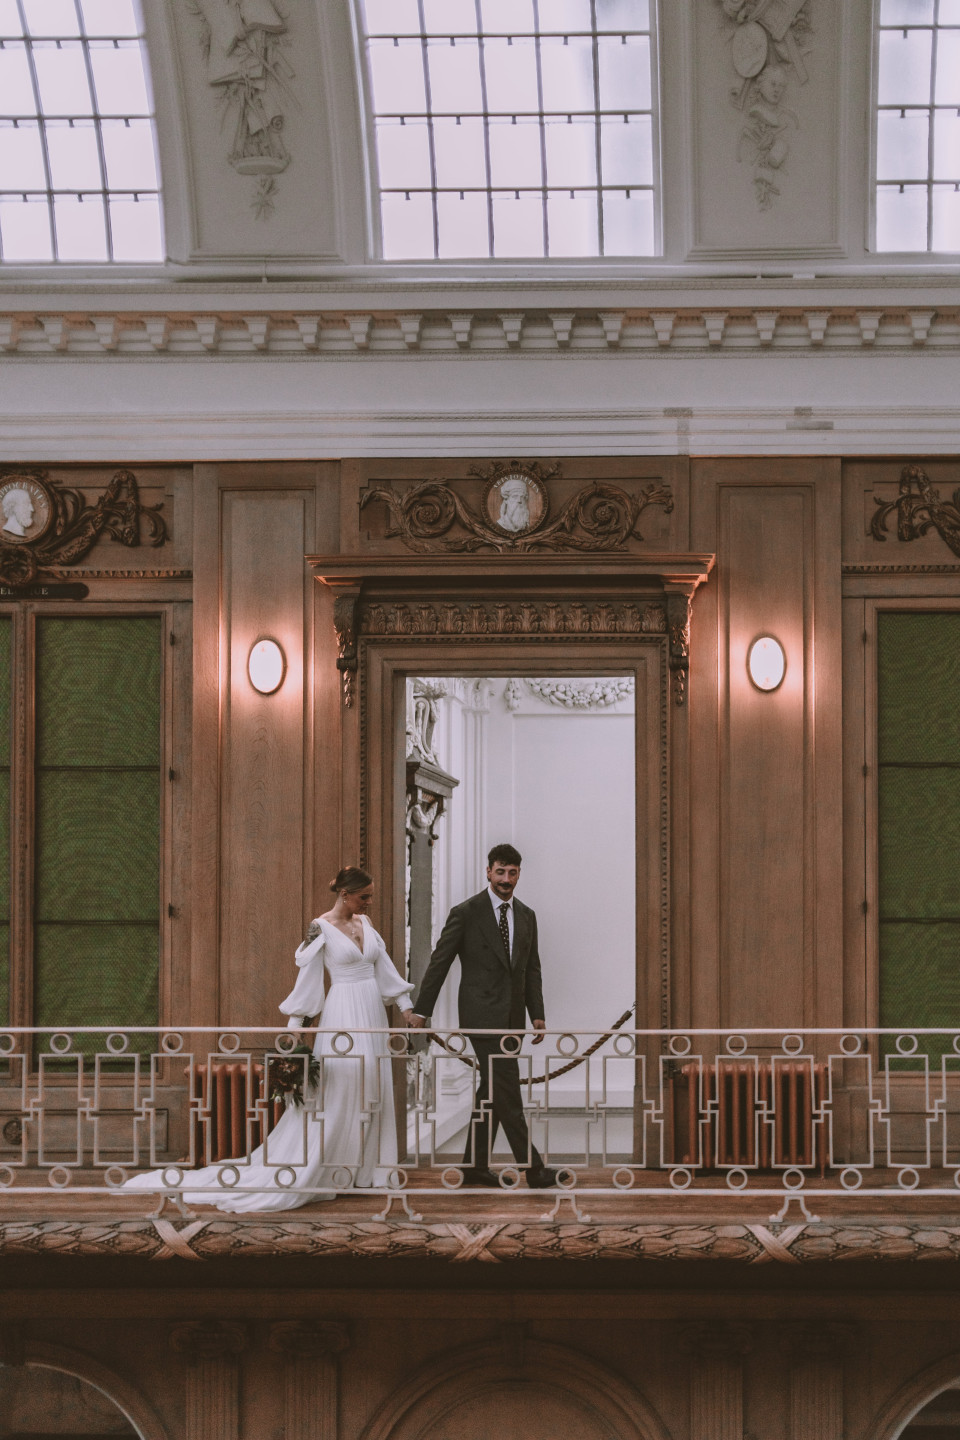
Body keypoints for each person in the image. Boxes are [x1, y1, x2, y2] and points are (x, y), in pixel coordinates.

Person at [125, 867, 415, 1211]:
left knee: (372, 1086)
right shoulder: (320, 927)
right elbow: (308, 980)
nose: (369, 902)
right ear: (344, 894)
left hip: (372, 1014)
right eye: (363, 896)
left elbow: (386, 970)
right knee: (341, 1087)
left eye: (370, 896)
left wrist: (406, 1006)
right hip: (343, 1012)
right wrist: (295, 1028)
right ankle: (327, 1167)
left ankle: (367, 1171)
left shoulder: (367, 926)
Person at [409, 844, 558, 1189]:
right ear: (488, 872)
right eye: (500, 872)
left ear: (519, 874)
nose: (506, 879)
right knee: (507, 1090)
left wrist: (537, 1014)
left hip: (511, 1019)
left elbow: (530, 969)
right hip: (480, 1017)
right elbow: (439, 963)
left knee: (491, 1091)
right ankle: (533, 1168)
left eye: (513, 873)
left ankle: (474, 1166)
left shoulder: (526, 914)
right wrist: (421, 1011)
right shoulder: (466, 912)